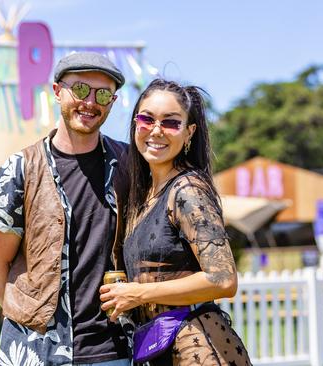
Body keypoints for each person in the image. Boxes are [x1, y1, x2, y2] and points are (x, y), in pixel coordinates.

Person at [0, 52, 130, 366]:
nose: (90, 102)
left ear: (112, 101)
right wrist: (28, 318)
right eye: (80, 90)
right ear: (58, 91)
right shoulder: (19, 169)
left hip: (113, 350)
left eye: (102, 94)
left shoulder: (129, 164)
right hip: (36, 352)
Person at [99, 79, 252, 365]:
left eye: (171, 123)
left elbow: (223, 279)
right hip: (161, 348)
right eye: (146, 119)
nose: (156, 130)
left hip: (199, 347)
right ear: (135, 125)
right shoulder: (144, 196)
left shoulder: (188, 190)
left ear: (189, 133)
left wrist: (139, 293)